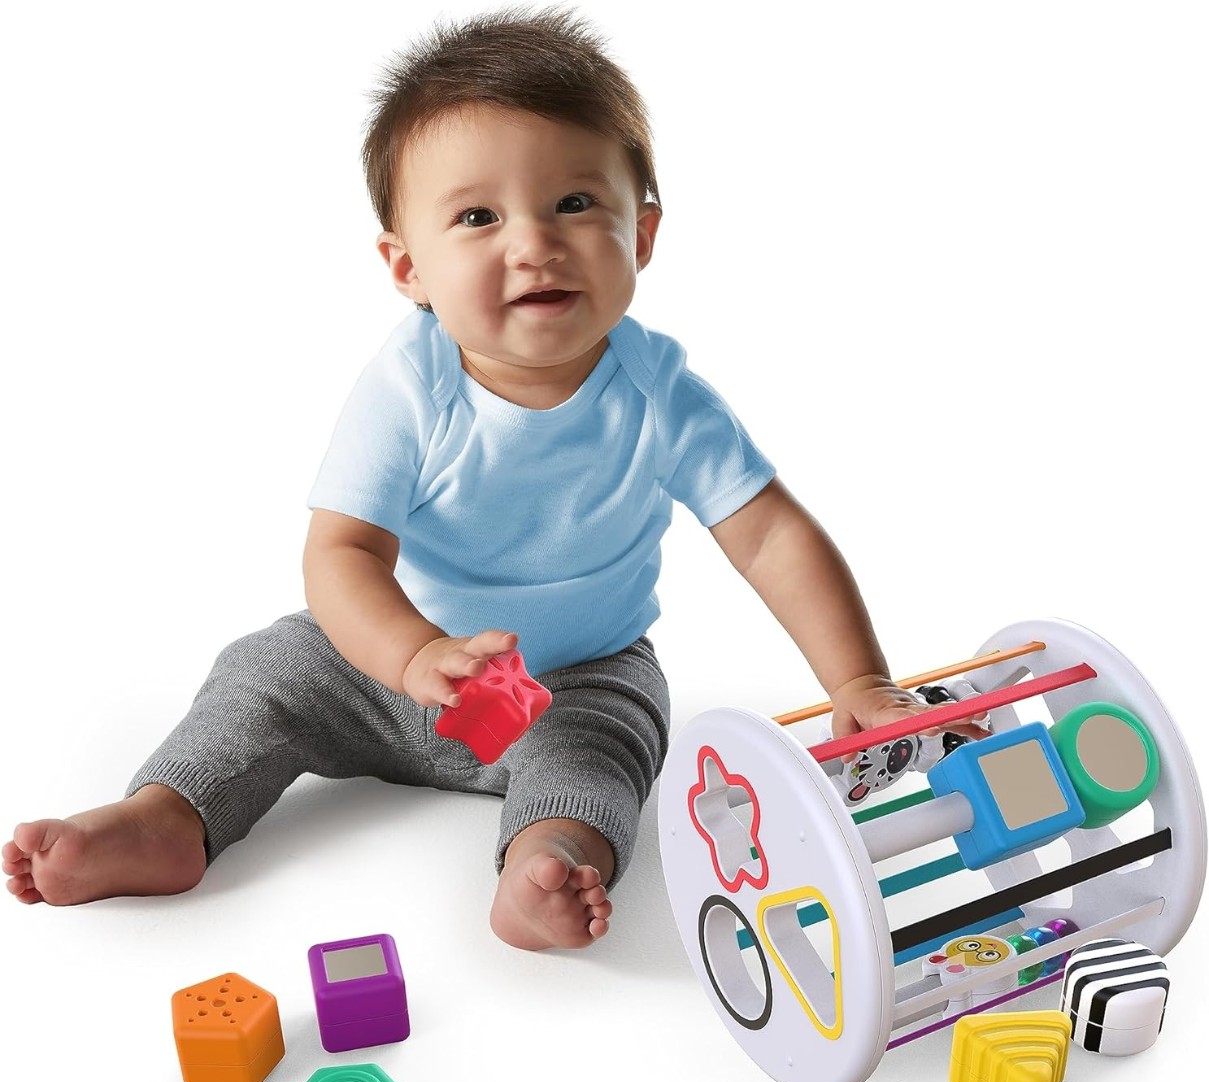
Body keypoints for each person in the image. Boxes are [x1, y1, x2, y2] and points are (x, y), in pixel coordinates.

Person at [2, 6, 979, 948]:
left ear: (641, 236)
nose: (533, 243)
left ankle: (549, 860)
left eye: (574, 203)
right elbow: (342, 552)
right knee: (261, 679)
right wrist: (413, 654)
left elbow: (768, 534)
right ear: (408, 268)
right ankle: (168, 814)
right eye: (477, 216)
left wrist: (858, 678)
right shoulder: (409, 386)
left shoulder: (662, 396)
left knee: (608, 751)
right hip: (377, 668)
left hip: (575, 677)